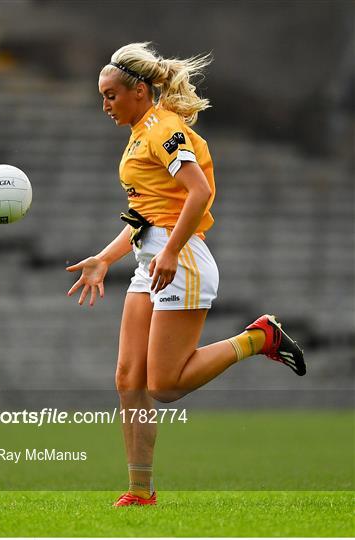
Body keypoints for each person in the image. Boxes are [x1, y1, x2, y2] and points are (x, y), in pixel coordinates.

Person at [66, 42, 305, 507]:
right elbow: (142, 219)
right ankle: (140, 492)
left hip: (181, 260)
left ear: (139, 91)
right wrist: (103, 259)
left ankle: (258, 338)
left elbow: (200, 191)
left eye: (112, 95)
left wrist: (172, 250)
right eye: (102, 96)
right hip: (148, 261)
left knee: (164, 386)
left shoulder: (163, 129)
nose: (105, 105)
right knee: (128, 378)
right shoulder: (138, 133)